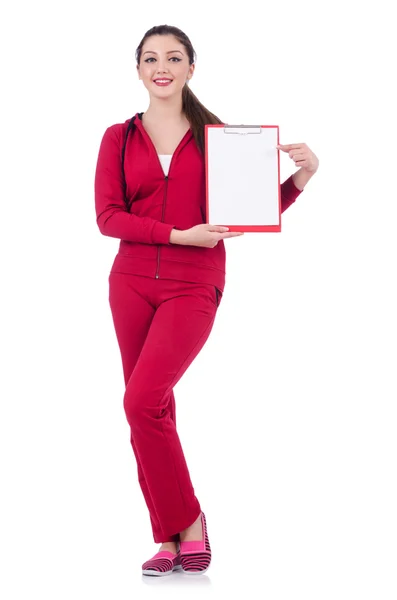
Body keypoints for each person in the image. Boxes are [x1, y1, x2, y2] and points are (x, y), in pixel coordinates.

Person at [94, 24, 308, 576]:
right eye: (150, 58)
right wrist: (174, 234)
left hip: (195, 283)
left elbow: (251, 209)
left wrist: (301, 180)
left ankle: (188, 521)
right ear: (138, 70)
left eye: (173, 57)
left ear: (191, 68)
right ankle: (168, 538)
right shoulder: (118, 138)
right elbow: (108, 218)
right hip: (132, 281)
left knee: (141, 401)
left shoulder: (221, 138)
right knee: (149, 407)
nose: (160, 66)